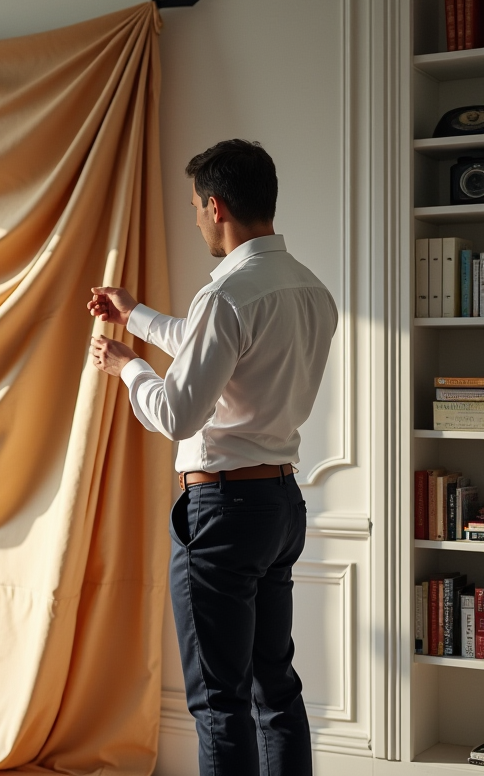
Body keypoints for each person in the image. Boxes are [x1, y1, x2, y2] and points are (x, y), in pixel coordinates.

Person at [87, 139, 337, 776]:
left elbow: (177, 413)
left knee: (219, 700)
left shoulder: (226, 295)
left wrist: (128, 368)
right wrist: (134, 314)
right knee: (275, 687)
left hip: (222, 512)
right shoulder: (311, 290)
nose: (197, 219)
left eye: (197, 207)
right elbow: (215, 346)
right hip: (280, 506)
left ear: (216, 206)